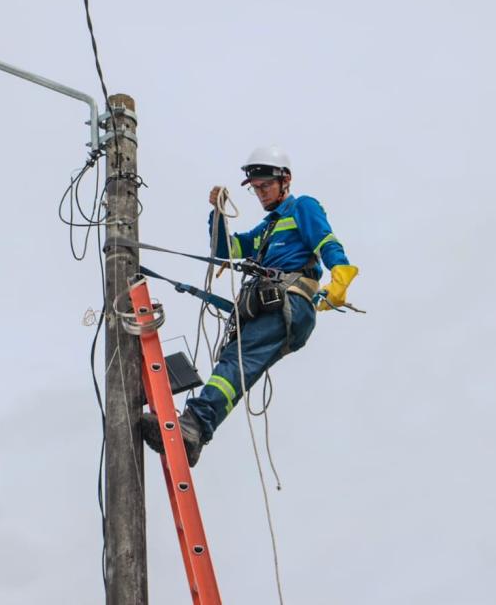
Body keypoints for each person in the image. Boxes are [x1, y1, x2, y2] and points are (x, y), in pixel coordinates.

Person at [140, 145, 359, 466]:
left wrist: (340, 274)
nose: (260, 193)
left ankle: (196, 424)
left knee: (236, 362)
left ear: (285, 181)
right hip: (271, 306)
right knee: (234, 366)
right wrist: (216, 212)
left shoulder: (302, 207)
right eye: (255, 189)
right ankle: (197, 430)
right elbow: (226, 247)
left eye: (265, 186)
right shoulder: (266, 230)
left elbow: (326, 241)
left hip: (286, 303)